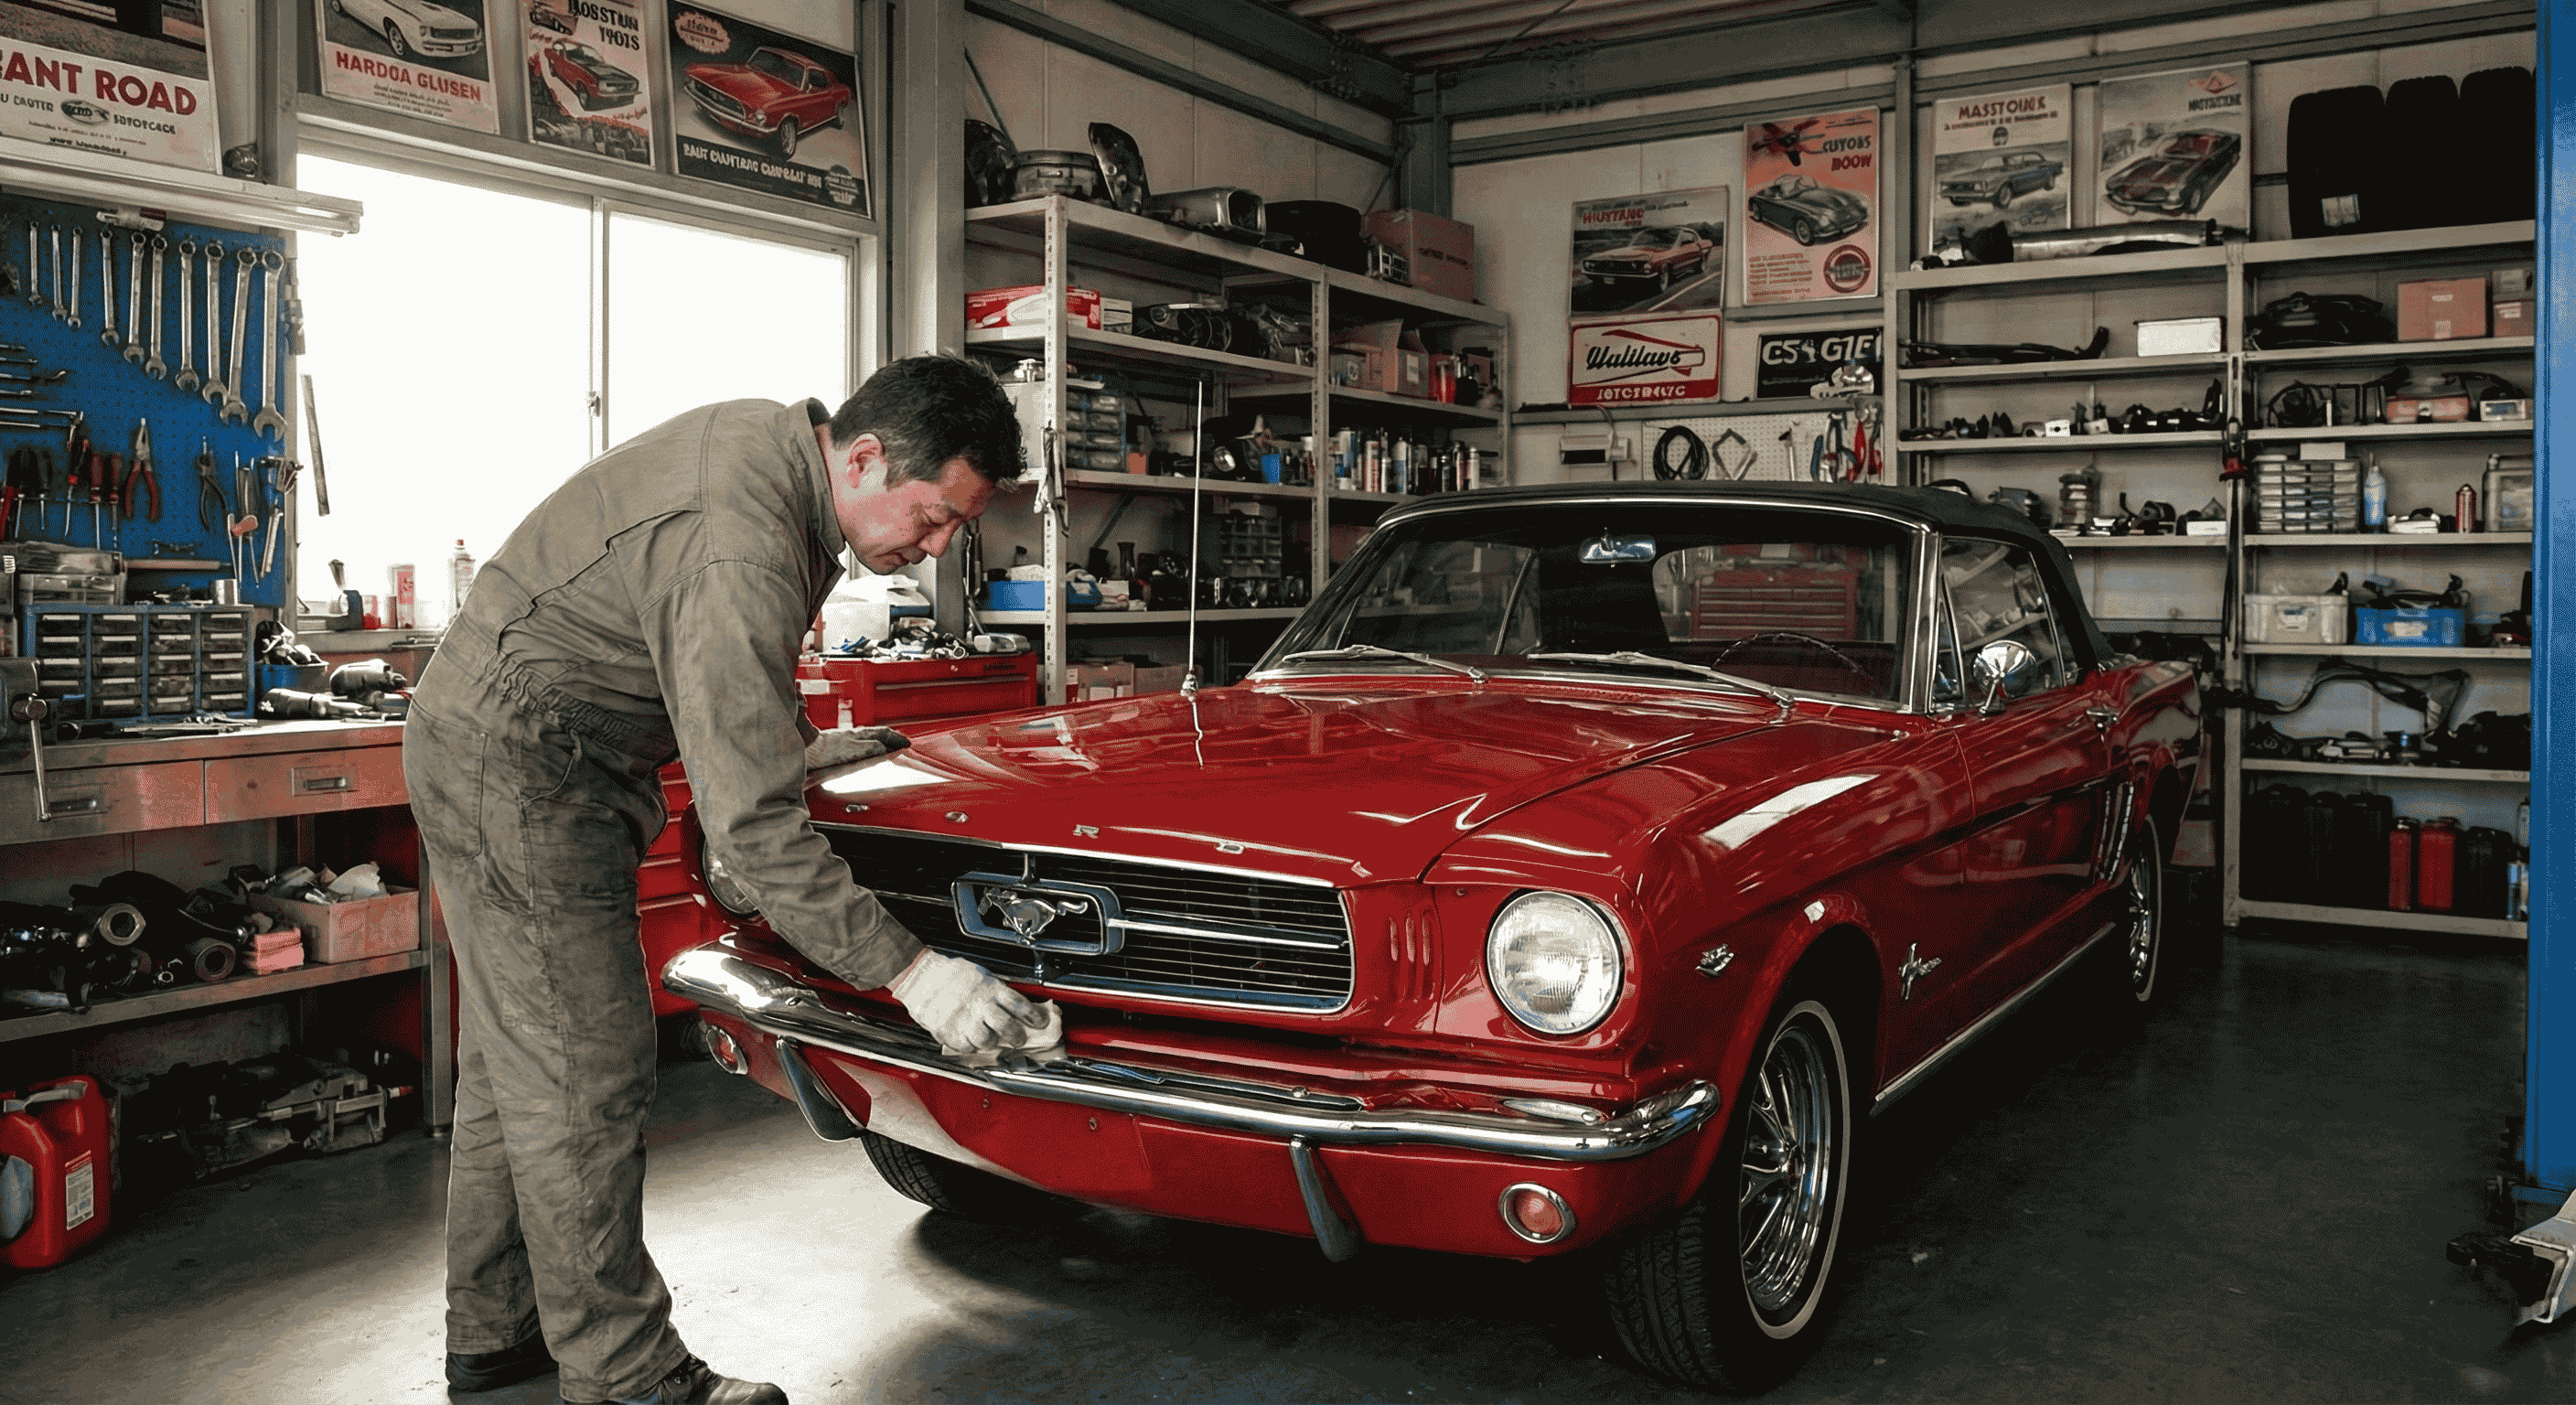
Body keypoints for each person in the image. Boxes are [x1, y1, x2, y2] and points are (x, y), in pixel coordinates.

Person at [405, 355, 1047, 1405]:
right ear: (869, 454)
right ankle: (623, 1377)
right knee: (586, 1067)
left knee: (523, 1065)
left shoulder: (782, 457)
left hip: (528, 746)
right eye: (933, 519)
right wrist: (919, 976)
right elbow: (752, 836)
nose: (936, 549)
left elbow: (717, 673)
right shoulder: (739, 543)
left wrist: (795, 748)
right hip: (522, 764)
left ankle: (496, 1332)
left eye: (953, 532)